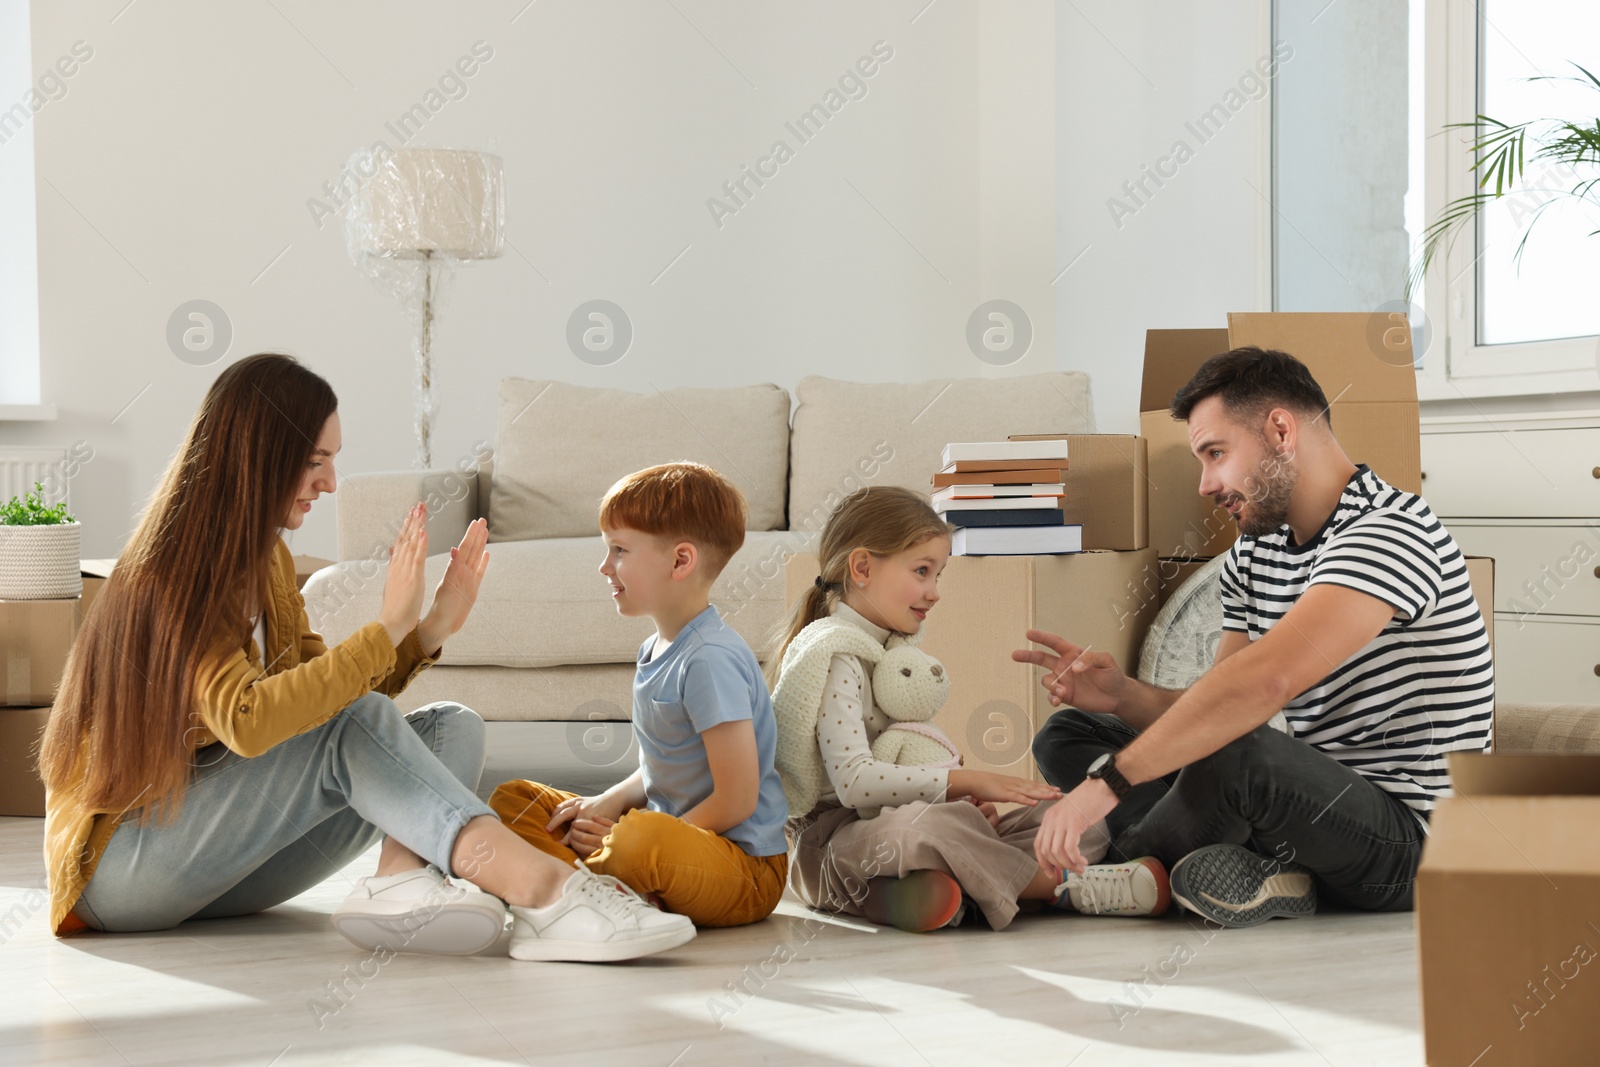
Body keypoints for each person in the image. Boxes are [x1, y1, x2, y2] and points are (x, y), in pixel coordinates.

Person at [40, 352, 694, 963]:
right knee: (354, 726)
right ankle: (549, 893)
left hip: (209, 863)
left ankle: (399, 883)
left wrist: (424, 629)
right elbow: (246, 719)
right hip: (122, 869)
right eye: (314, 459)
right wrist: (385, 626)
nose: (329, 481)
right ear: (260, 455)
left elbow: (316, 688)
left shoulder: (267, 558)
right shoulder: (177, 569)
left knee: (452, 726)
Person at [1019, 346, 1494, 928]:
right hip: (1316, 812)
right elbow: (1218, 701)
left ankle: (1090, 874)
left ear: (1279, 430)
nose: (1204, 484)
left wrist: (1106, 785)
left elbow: (1264, 682)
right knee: (1070, 733)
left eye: (1215, 454)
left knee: (1235, 757)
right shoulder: (1256, 551)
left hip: (1413, 843)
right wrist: (1122, 698)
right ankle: (1228, 871)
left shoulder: (1391, 531)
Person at [774, 486, 1171, 933]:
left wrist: (961, 798)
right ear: (862, 567)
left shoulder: (892, 651)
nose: (934, 592)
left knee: (1075, 817)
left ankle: (947, 889)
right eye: (922, 571)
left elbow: (907, 754)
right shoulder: (835, 657)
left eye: (938, 575)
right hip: (835, 846)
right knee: (922, 831)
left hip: (899, 828)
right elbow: (854, 784)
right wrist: (967, 781)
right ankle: (1063, 888)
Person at [488, 463, 790, 927]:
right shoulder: (655, 648)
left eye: (620, 550)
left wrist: (627, 835)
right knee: (516, 800)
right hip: (667, 840)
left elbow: (737, 799)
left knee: (637, 840)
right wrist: (605, 803)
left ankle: (576, 884)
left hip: (742, 867)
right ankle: (601, 890)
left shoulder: (710, 659)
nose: (605, 566)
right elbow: (661, 768)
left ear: (680, 561)